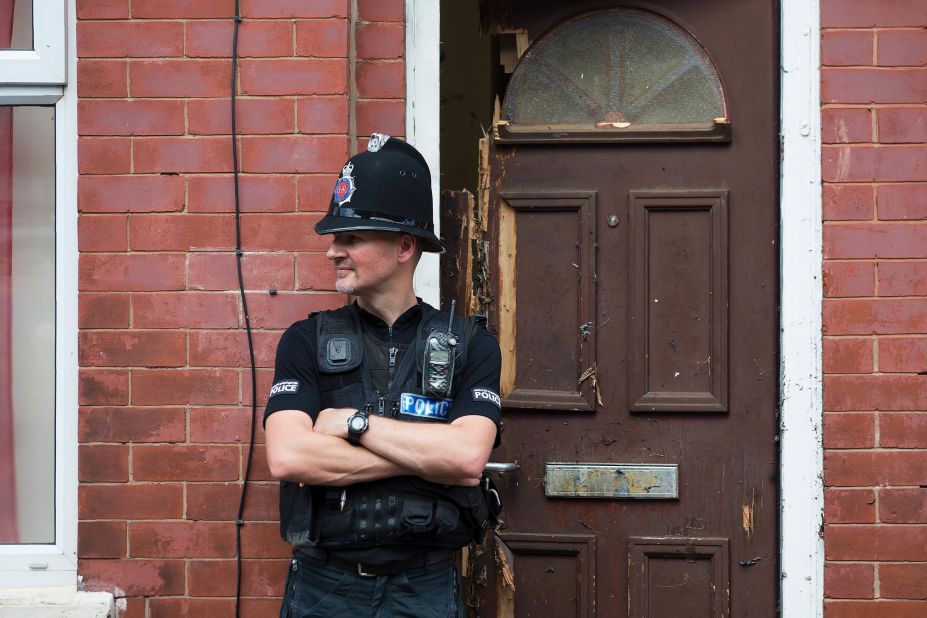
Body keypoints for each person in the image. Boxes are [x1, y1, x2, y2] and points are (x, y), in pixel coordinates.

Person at [264, 133, 503, 618]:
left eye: (351, 238)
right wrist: (430, 456)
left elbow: (467, 458)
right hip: (324, 587)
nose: (333, 251)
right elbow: (289, 457)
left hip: (426, 588)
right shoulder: (304, 341)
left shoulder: (471, 345)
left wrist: (356, 425)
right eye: (335, 238)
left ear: (403, 246)